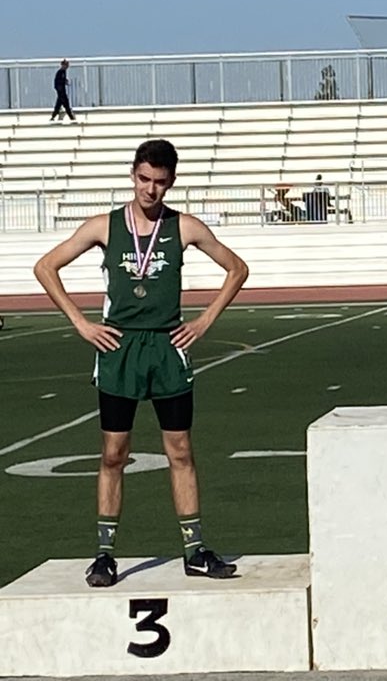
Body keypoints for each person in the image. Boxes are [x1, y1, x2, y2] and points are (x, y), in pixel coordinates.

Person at [33, 139, 249, 586]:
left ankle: (194, 550)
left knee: (181, 450)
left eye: (160, 183)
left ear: (172, 182)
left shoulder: (183, 226)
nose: (151, 190)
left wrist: (204, 321)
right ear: (133, 174)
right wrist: (82, 324)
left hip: (168, 349)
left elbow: (237, 268)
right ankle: (104, 555)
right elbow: (46, 267)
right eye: (145, 179)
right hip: (120, 350)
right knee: (113, 453)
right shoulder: (105, 226)